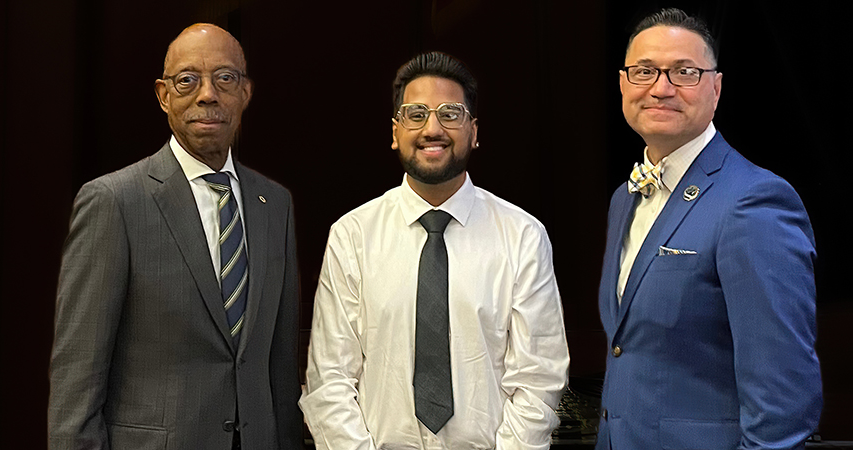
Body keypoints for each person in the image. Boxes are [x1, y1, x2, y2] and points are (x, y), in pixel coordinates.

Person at [48, 24, 302, 449]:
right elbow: (79, 373)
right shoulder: (114, 201)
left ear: (246, 93)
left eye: (225, 78)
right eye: (188, 80)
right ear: (163, 95)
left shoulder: (275, 204)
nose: (207, 94)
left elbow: (280, 362)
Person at [299, 52, 569, 449]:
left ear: (474, 131)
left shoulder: (522, 236)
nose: (433, 128)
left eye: (450, 113)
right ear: (395, 132)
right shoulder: (353, 235)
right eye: (416, 114)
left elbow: (539, 378)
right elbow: (329, 379)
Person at [596, 8, 822, 449]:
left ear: (715, 88)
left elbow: (782, 401)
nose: (661, 88)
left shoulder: (754, 201)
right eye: (644, 71)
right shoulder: (623, 199)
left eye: (684, 72)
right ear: (624, 84)